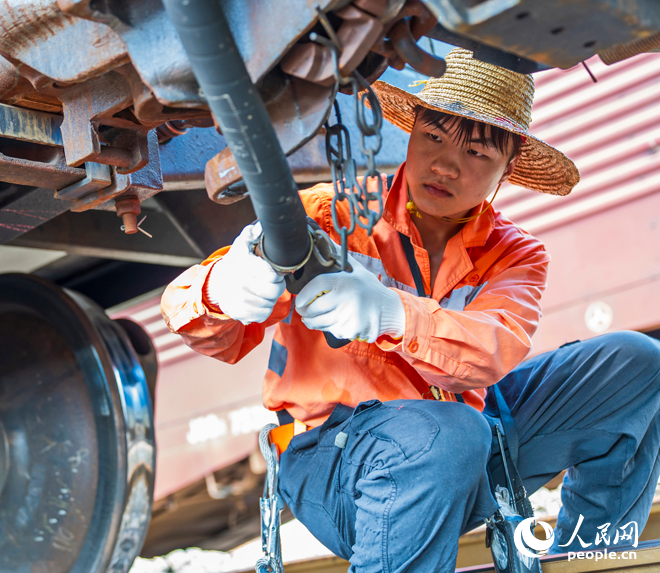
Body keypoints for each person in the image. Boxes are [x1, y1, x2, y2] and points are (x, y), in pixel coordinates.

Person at [160, 48, 660, 571]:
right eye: (435, 137)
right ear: (412, 131)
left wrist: (392, 315)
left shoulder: (515, 254)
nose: (445, 165)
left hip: (464, 451)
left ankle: (591, 558)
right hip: (336, 466)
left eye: (477, 155)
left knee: (639, 364)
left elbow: (494, 348)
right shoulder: (330, 216)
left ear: (506, 171)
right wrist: (222, 287)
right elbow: (194, 314)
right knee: (449, 433)